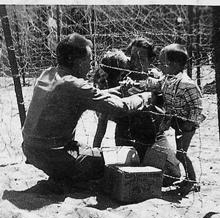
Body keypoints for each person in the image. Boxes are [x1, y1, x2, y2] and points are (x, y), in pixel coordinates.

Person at [22, 33, 151, 193]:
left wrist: (119, 90)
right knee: (116, 160)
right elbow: (120, 108)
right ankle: (66, 178)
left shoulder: (48, 74)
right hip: (53, 155)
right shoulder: (74, 85)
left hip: (31, 149)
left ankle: (62, 175)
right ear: (74, 61)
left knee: (86, 150)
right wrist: (146, 96)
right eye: (88, 62)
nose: (91, 67)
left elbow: (86, 96)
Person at [93, 38, 181, 187]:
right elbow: (102, 119)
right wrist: (94, 154)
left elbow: (165, 117)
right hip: (126, 139)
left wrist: (147, 99)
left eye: (140, 58)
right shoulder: (121, 79)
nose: (135, 62)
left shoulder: (158, 80)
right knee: (127, 177)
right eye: (133, 57)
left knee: (172, 175)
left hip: (153, 137)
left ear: (150, 60)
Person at [135, 43, 203, 195]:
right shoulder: (168, 79)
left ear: (174, 64)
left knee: (181, 153)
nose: (159, 65)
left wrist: (189, 123)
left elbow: (197, 106)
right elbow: (154, 84)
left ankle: (192, 180)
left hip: (186, 124)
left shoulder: (187, 84)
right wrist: (136, 84)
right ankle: (189, 179)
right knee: (180, 151)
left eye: (162, 62)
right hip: (175, 120)